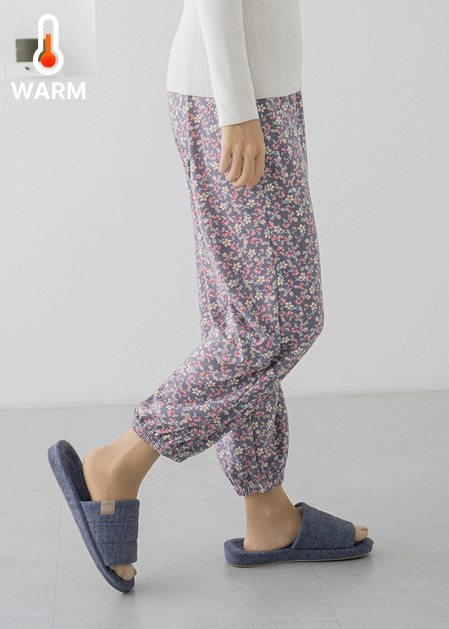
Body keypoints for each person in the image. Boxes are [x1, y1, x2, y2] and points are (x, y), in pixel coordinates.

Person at [82, 0, 370, 582]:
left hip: (255, 94)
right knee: (273, 323)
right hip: (236, 100)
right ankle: (122, 460)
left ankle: (268, 513)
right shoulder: (237, 106)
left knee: (243, 320)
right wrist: (237, 109)